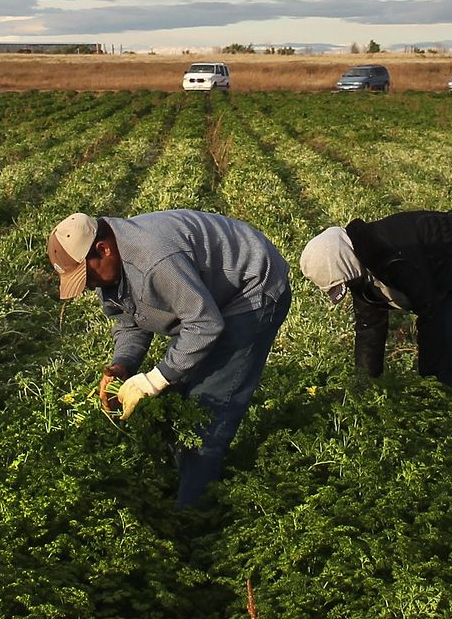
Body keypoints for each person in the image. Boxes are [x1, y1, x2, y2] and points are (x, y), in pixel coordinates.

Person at [47, 208, 291, 507]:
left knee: (206, 407)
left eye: (87, 276)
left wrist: (153, 380)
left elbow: (204, 325)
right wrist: (123, 365)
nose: (89, 286)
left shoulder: (154, 259)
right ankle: (179, 480)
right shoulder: (111, 269)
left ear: (103, 248)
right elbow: (130, 322)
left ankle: (192, 514)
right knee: (177, 393)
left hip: (251, 286)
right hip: (207, 300)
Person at [298, 211, 452, 387]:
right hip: (442, 264)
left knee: (446, 348)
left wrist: (429, 384)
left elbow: (430, 315)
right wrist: (366, 384)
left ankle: (445, 411)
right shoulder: (360, 261)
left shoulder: (395, 260)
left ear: (345, 264)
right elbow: (369, 328)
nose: (350, 287)